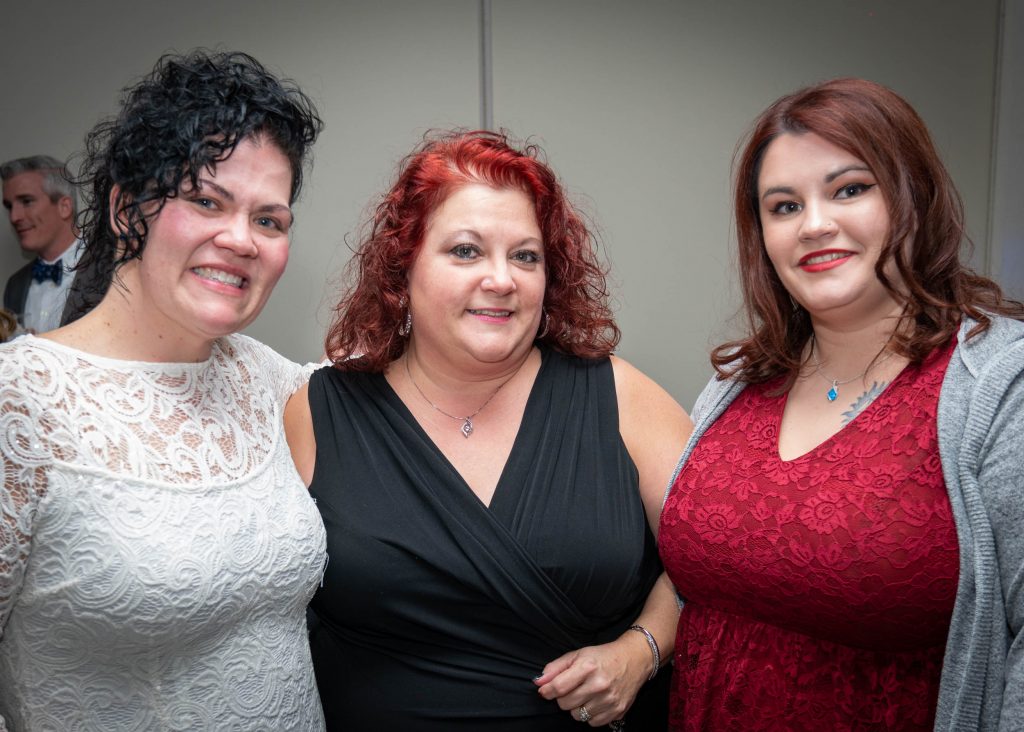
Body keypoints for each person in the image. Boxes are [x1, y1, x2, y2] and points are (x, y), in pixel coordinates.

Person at [285, 130, 692, 730]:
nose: (501, 280)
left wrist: (642, 650)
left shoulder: (620, 396)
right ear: (404, 267)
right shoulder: (318, 413)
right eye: (466, 251)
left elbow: (717, 565)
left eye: (525, 256)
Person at [658, 77, 1024, 731]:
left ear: (913, 198)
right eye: (784, 206)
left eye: (850, 189)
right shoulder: (739, 384)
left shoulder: (997, 385)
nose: (815, 224)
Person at [0, 50, 326, 731]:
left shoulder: (266, 378)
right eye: (206, 201)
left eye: (269, 220)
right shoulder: (19, 400)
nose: (241, 239)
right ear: (126, 210)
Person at [2, 155, 82, 333]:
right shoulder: (15, 285)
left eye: (27, 201)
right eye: (9, 206)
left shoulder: (111, 268)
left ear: (64, 207)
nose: (14, 217)